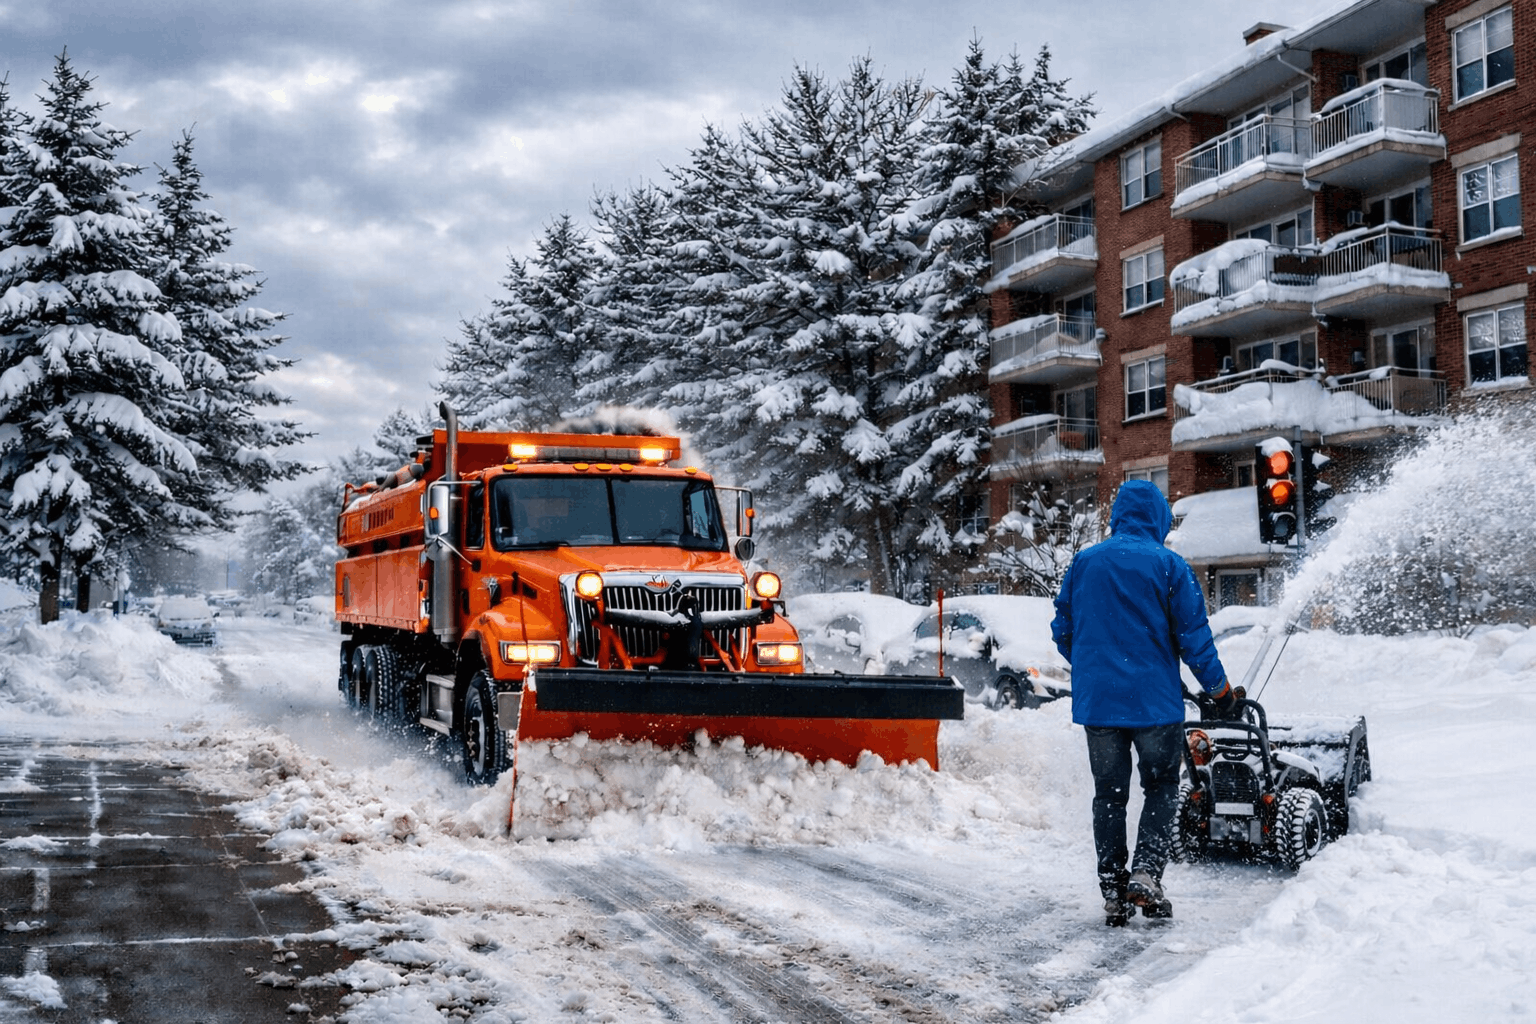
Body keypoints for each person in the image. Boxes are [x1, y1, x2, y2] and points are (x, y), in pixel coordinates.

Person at [1050, 479, 1234, 926]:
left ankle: (1113, 888)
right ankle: (1147, 875)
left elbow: (1062, 629)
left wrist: (1095, 667)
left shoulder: (1085, 562)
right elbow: (1194, 639)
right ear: (1157, 519)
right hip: (1155, 706)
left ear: (1117, 516)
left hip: (1100, 708)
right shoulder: (1169, 565)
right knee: (1161, 788)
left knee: (1109, 796)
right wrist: (1220, 692)